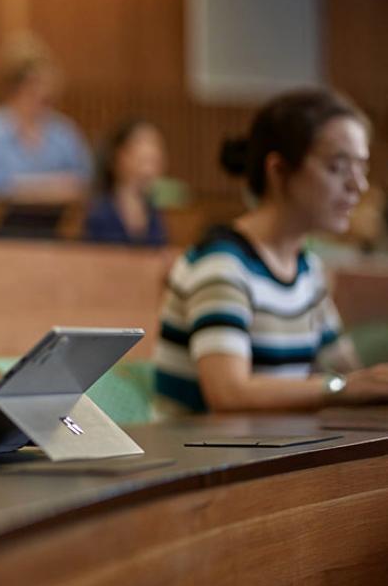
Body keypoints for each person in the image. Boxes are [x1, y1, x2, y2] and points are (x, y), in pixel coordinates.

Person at [154, 89, 388, 413]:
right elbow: (228, 393)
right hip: (203, 457)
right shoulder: (222, 265)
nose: (358, 186)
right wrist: (346, 387)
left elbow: (344, 372)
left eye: (361, 168)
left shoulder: (307, 269)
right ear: (278, 171)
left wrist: (366, 384)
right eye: (338, 167)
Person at [0, 34, 92, 201]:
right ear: (13, 87)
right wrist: (47, 188)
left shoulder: (64, 132)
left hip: (59, 223)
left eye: (46, 84)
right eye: (32, 85)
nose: (41, 92)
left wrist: (19, 186)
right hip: (0, 224)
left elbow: (84, 182)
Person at [83, 119, 168, 246]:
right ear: (119, 156)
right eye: (143, 160)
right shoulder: (98, 212)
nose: (148, 169)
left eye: (153, 160)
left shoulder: (155, 215)